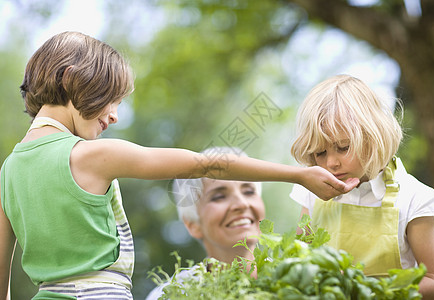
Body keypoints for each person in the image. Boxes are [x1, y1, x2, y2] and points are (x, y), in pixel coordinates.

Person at [0, 32, 359, 300]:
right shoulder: (87, 155)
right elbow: (204, 166)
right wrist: (298, 174)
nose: (114, 115)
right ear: (70, 78)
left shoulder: (8, 171)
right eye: (111, 99)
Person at [289, 74, 434, 299]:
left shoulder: (413, 198)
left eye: (343, 147)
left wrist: (361, 290)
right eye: (320, 153)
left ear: (372, 138)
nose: (331, 163)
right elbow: (300, 260)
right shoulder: (311, 192)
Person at [146, 147, 265, 300]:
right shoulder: (172, 294)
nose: (242, 204)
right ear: (193, 225)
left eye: (249, 191)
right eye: (219, 196)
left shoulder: (294, 274)